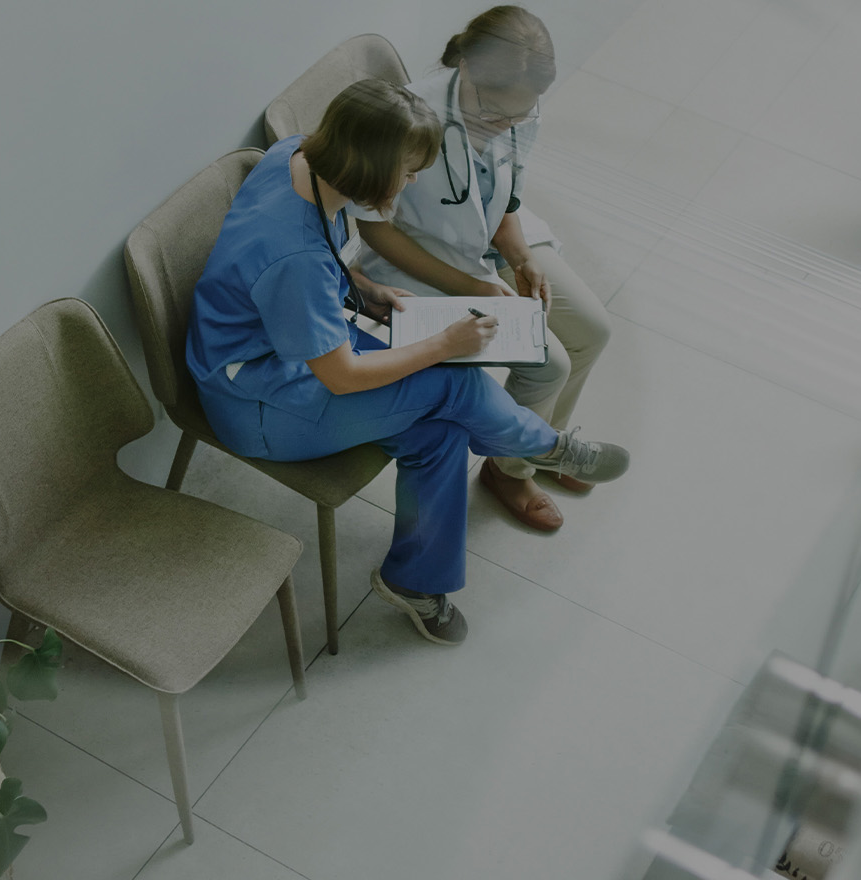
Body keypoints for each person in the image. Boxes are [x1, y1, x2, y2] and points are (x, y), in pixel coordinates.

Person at [186, 79, 629, 645]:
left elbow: (316, 261)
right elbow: (341, 375)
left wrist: (363, 289)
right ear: (372, 168)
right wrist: (443, 345)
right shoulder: (294, 258)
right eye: (409, 171)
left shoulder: (295, 157)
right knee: (453, 386)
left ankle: (415, 582)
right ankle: (547, 447)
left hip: (286, 352)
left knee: (440, 434)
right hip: (257, 405)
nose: (414, 181)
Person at [353, 6, 612, 534]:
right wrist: (476, 288)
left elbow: (507, 191)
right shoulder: (411, 116)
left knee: (593, 331)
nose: (506, 126)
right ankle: (509, 471)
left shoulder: (519, 108)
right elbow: (375, 229)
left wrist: (521, 257)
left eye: (519, 117)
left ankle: (546, 447)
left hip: (493, 241)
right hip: (420, 261)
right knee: (549, 364)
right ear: (466, 67)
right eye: (494, 114)